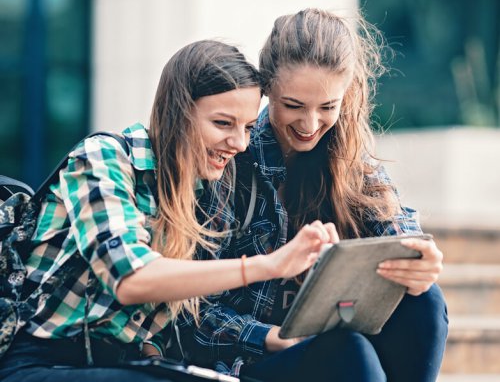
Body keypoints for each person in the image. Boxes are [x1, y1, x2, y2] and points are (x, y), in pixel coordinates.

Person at [0, 40, 338, 382]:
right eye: (223, 123)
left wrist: (156, 355)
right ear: (178, 111)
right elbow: (130, 280)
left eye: (249, 127)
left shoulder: (201, 193)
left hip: (122, 365)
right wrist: (269, 265)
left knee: (342, 351)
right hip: (38, 362)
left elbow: (152, 330)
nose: (239, 143)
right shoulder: (104, 158)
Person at [176, 9, 448, 382]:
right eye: (293, 106)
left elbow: (397, 230)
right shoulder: (229, 160)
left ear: (345, 95)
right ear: (266, 88)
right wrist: (273, 338)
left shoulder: (350, 155)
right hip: (252, 361)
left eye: (327, 107)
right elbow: (191, 311)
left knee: (425, 300)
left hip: (334, 342)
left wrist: (418, 259)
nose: (309, 125)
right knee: (346, 351)